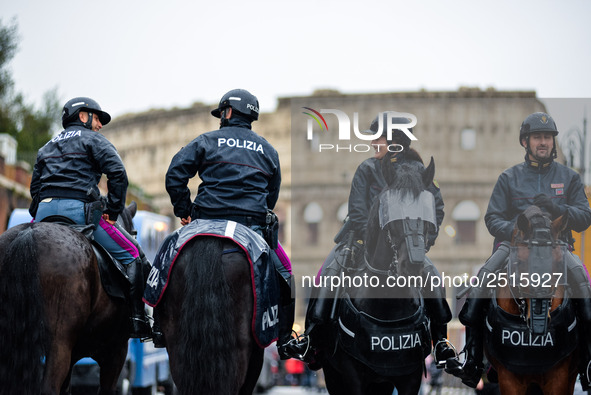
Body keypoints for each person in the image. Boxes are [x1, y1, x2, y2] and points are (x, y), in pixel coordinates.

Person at [285, 112, 457, 368]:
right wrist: (379, 242)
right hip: (362, 243)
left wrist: (423, 241)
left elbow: (437, 209)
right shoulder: (367, 168)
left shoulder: (421, 172)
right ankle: (312, 339)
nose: (373, 143)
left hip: (407, 246)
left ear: (396, 140)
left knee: (432, 275)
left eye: (379, 137)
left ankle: (441, 342)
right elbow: (357, 212)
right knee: (329, 272)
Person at [454, 112, 591, 388]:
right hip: (514, 248)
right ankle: (472, 360)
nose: (543, 142)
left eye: (548, 138)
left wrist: (558, 209)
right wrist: (516, 231)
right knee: (481, 282)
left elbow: (584, 216)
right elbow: (492, 218)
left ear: (553, 143)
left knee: (584, 286)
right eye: (537, 137)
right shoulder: (508, 177)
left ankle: (588, 363)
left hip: (558, 248)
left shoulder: (570, 177)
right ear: (525, 142)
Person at [164, 88, 295, 356]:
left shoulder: (206, 141)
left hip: (204, 223)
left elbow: (175, 174)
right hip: (250, 228)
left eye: (221, 113)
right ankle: (284, 339)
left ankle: (157, 324)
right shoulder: (268, 150)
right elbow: (272, 195)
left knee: (165, 260)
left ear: (229, 112)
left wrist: (184, 210)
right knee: (286, 274)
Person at [29, 97, 152, 339]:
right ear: (83, 116)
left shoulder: (47, 146)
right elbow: (117, 173)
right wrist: (114, 210)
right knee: (134, 255)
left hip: (44, 212)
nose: (100, 125)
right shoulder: (94, 140)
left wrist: (39, 211)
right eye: (97, 118)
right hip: (80, 212)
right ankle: (138, 320)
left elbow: (35, 188)